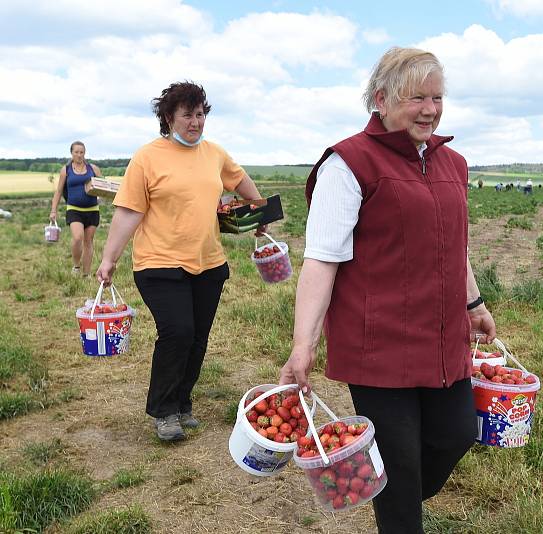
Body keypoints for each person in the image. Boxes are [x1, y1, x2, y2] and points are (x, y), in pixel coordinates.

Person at [279, 47, 497, 534]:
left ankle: (390, 487)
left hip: (445, 339)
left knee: (456, 434)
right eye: (417, 97)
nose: (431, 109)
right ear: (380, 99)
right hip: (380, 346)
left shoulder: (453, 164)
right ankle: (396, 504)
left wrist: (474, 303)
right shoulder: (349, 163)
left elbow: (453, 245)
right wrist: (303, 345)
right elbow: (322, 258)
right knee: (399, 473)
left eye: (437, 97)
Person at [96, 81, 266, 442]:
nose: (195, 121)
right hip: (158, 262)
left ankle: (183, 401)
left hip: (208, 262)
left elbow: (242, 183)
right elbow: (128, 211)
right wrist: (109, 259)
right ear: (169, 118)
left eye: (200, 113)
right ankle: (164, 410)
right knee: (177, 332)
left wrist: (258, 208)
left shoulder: (215, 154)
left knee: (198, 338)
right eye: (187, 114)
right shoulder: (148, 157)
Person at [50, 141, 103, 276]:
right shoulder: (66, 170)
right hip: (74, 209)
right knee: (78, 237)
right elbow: (59, 191)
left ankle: (86, 274)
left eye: (82, 152)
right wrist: (53, 210)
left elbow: (103, 186)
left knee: (88, 242)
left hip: (92, 210)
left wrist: (100, 195)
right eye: (76, 152)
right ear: (71, 153)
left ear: (84, 153)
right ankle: (76, 266)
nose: (79, 155)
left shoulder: (93, 168)